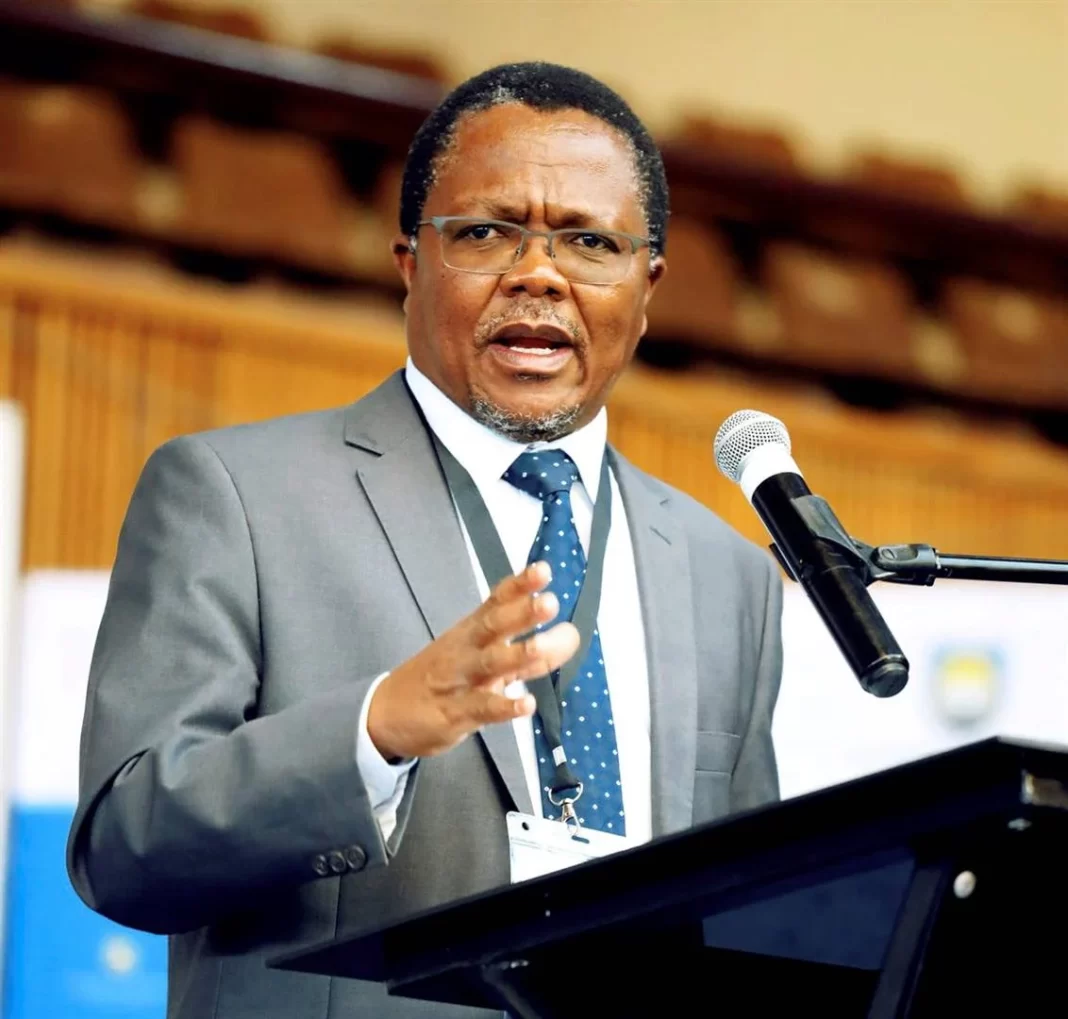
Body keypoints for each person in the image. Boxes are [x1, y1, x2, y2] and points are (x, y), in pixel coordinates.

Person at [66, 61, 783, 1019]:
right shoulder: (234, 495)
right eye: (486, 232)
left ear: (645, 287)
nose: (539, 274)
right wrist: (372, 732)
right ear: (411, 263)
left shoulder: (729, 573)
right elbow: (124, 848)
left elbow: (746, 917)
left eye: (590, 241)